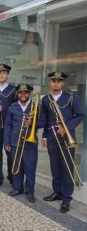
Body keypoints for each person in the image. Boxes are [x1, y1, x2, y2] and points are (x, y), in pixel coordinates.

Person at [41, 72, 83, 213]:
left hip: (67, 137)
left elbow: (80, 116)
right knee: (55, 166)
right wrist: (45, 137)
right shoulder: (46, 100)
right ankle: (57, 192)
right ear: (50, 83)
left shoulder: (71, 98)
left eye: (59, 81)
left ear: (63, 83)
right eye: (53, 81)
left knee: (66, 167)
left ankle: (66, 198)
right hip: (52, 137)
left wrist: (66, 128)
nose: (56, 83)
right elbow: (46, 120)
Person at [4, 83, 45, 203]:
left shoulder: (36, 106)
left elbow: (43, 122)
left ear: (29, 93)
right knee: (16, 166)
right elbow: (7, 125)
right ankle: (18, 188)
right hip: (15, 141)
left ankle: (30, 190)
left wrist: (32, 124)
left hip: (30, 142)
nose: (23, 95)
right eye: (20, 93)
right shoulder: (12, 107)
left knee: (30, 167)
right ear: (17, 94)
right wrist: (6, 142)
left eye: (26, 92)